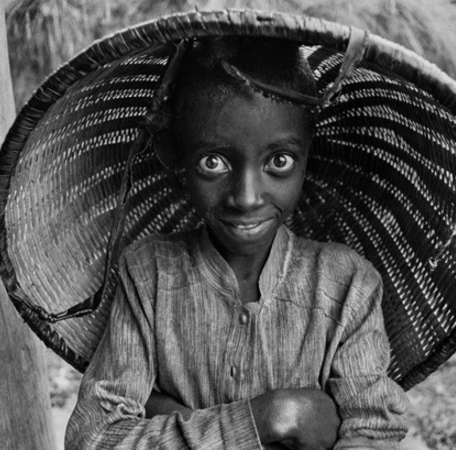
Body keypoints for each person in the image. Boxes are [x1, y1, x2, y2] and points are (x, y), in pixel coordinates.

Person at [65, 37, 409, 449]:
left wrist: (171, 416)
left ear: (307, 157)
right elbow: (96, 438)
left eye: (278, 161)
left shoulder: (348, 285)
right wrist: (270, 418)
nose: (246, 197)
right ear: (176, 157)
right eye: (214, 162)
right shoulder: (149, 274)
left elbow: (374, 434)